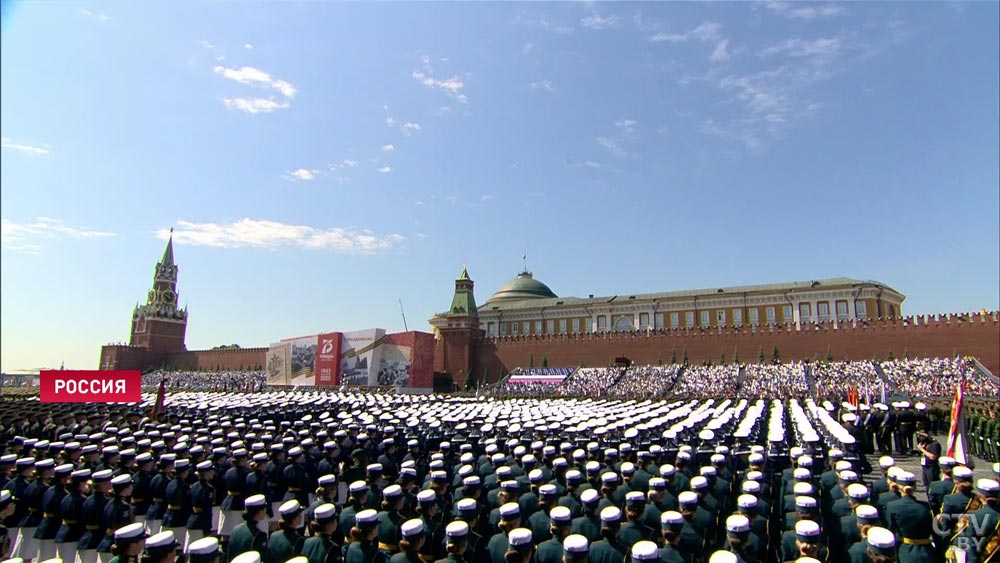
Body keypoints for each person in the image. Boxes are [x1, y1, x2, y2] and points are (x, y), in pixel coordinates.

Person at [227, 494, 271, 563]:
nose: (265, 511)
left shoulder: (235, 529)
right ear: (259, 512)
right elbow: (264, 559)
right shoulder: (259, 535)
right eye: (264, 509)